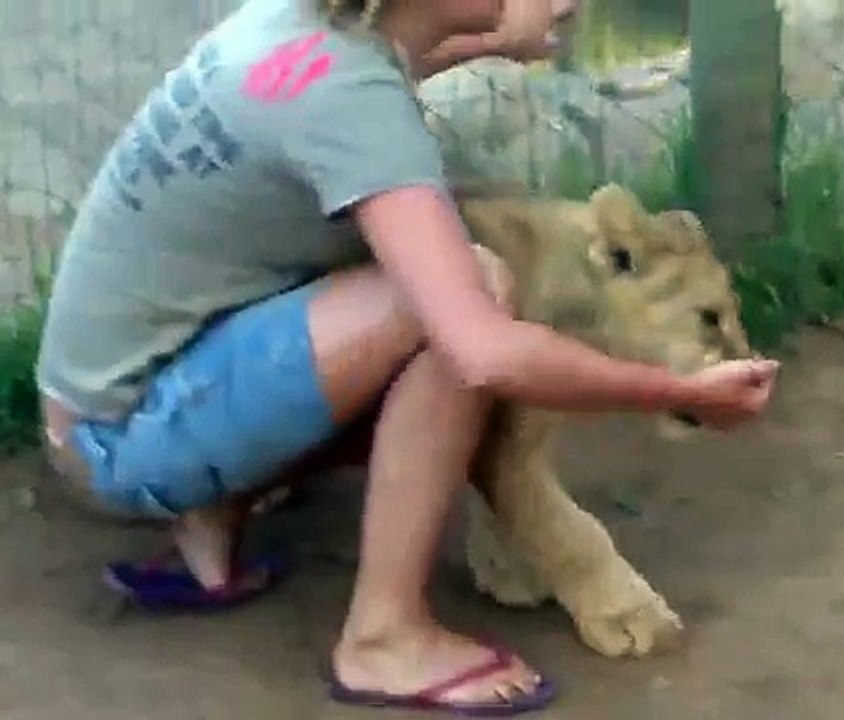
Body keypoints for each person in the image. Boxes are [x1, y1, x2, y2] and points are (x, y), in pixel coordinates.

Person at [35, 0, 778, 714]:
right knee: (467, 291)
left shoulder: (308, 27)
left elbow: (388, 55)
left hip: (100, 407)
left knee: (426, 289)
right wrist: (676, 392)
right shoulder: (358, 107)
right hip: (125, 446)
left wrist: (493, 35)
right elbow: (482, 353)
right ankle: (383, 637)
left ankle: (214, 512)